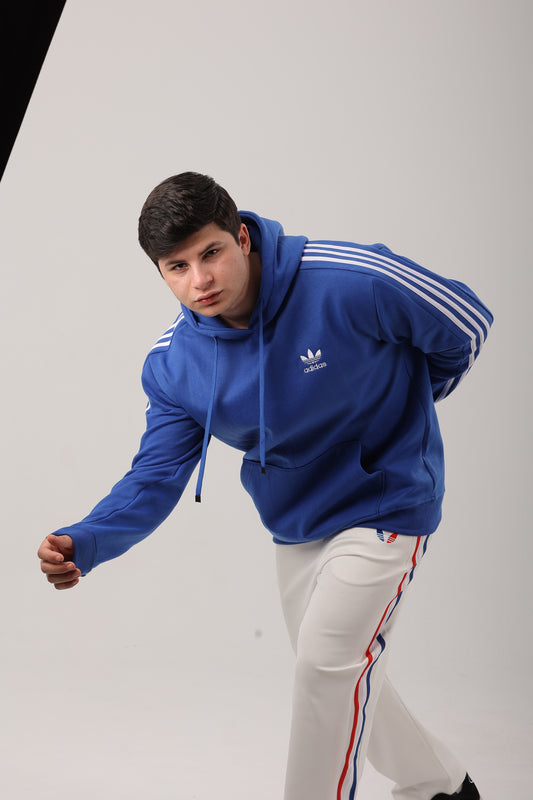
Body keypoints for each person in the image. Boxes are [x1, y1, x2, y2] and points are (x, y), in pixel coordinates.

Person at [38, 172, 492, 800]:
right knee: (337, 671)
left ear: (242, 238)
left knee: (328, 668)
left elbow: (466, 321)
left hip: (386, 502)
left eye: (212, 252)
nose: (200, 279)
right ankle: (440, 786)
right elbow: (155, 475)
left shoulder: (346, 279)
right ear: (161, 274)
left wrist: (408, 410)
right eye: (178, 267)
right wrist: (86, 540)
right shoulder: (175, 365)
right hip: (296, 523)